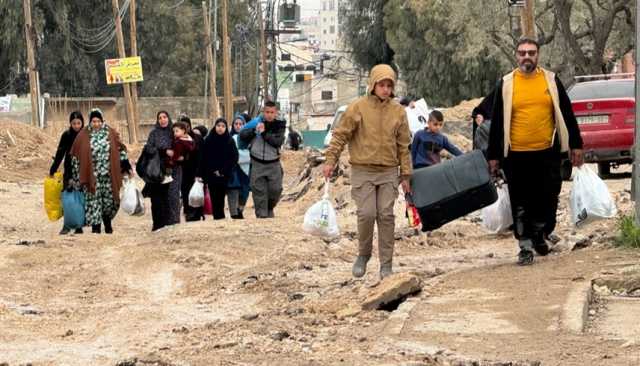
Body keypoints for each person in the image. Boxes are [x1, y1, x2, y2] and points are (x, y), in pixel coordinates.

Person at [487, 37, 584, 266]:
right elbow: (497, 121)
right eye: (522, 53)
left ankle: (541, 233)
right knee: (521, 202)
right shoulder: (506, 84)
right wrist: (493, 157)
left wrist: (576, 144)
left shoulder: (550, 80)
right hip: (516, 155)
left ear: (538, 55)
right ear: (516, 55)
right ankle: (525, 245)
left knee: (548, 198)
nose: (527, 56)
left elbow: (567, 113)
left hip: (547, 153)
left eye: (531, 52)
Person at [323, 64, 412, 280]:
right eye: (381, 84)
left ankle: (386, 264)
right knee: (366, 214)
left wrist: (406, 175)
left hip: (389, 171)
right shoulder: (357, 108)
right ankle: (363, 255)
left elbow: (404, 145)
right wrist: (330, 160)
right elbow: (340, 135)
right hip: (363, 169)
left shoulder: (398, 111)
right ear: (373, 85)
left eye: (389, 85)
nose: (385, 89)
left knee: (386, 215)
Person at [69, 109, 132, 234]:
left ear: (102, 121)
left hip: (108, 176)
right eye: (93, 121)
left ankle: (107, 223)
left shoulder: (110, 133)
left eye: (98, 121)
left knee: (110, 201)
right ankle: (96, 228)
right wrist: (76, 176)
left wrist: (125, 165)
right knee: (93, 202)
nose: (96, 124)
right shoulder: (83, 135)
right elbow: (75, 156)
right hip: (92, 176)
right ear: (90, 121)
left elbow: (120, 149)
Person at [240, 101, 287, 218]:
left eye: (272, 112)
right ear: (263, 112)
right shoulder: (255, 123)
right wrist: (254, 131)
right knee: (259, 192)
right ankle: (262, 216)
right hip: (257, 163)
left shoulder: (279, 126)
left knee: (275, 190)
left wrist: (264, 133)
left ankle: (269, 207)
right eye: (267, 112)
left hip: (273, 163)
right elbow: (242, 135)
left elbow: (277, 142)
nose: (269, 115)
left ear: (276, 113)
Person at [141, 111, 180, 231]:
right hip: (157, 170)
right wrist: (163, 151)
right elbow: (148, 148)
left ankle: (173, 223)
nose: (162, 120)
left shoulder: (173, 132)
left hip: (174, 170)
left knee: (173, 197)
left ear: (168, 118)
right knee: (158, 199)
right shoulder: (154, 133)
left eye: (165, 117)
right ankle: (158, 224)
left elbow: (182, 144)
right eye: (160, 118)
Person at [50, 111, 85, 235]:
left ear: (82, 123)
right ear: (70, 123)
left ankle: (79, 225)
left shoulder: (86, 134)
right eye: (74, 123)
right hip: (69, 171)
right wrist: (53, 169)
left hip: (82, 171)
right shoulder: (66, 135)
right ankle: (66, 225)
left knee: (80, 198)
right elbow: (60, 153)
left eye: (78, 123)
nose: (76, 125)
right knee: (67, 198)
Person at [198, 118, 238, 220]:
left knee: (221, 197)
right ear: (215, 126)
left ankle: (220, 217)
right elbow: (203, 158)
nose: (220, 128)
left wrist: (223, 171)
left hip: (224, 175)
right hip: (211, 175)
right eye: (218, 126)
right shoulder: (209, 140)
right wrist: (202, 173)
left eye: (223, 126)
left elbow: (234, 158)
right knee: (214, 197)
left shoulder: (229, 141)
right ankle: (218, 217)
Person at [179, 116, 206, 222]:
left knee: (197, 193)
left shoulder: (197, 138)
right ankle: (189, 214)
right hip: (183, 171)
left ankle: (197, 214)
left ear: (189, 126)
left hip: (197, 171)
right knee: (186, 193)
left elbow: (203, 156)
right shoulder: (177, 139)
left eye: (186, 126)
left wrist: (201, 172)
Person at [227, 115, 251, 219]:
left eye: (240, 124)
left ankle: (240, 210)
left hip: (246, 169)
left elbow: (251, 152)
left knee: (244, 192)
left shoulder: (249, 138)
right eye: (236, 124)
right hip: (233, 169)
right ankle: (234, 213)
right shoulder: (229, 138)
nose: (238, 126)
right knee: (233, 190)